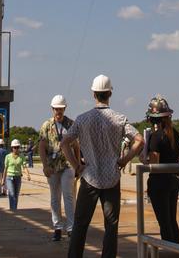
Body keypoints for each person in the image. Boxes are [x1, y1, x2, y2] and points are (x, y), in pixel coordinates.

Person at [60, 74, 142, 258]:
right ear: (109, 93)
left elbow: (64, 143)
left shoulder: (82, 119)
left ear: (93, 94)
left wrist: (76, 166)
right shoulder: (119, 118)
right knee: (111, 226)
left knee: (80, 224)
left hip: (89, 178)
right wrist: (124, 160)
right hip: (112, 178)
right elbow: (139, 140)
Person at [143, 96, 179, 243]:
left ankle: (170, 251)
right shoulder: (175, 134)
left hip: (160, 184)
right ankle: (177, 250)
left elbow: (154, 164)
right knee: (172, 220)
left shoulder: (156, 137)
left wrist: (144, 159)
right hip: (174, 180)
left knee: (164, 223)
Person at [38, 93, 76, 241]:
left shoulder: (71, 124)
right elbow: (41, 146)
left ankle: (71, 228)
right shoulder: (46, 125)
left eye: (61, 109)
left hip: (67, 164)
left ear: (65, 109)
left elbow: (76, 146)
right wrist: (45, 166)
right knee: (55, 197)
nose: (58, 112)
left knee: (68, 196)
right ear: (52, 109)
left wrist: (77, 165)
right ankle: (57, 227)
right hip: (52, 166)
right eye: (56, 109)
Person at [5, 139, 26, 210]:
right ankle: (13, 209)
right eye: (15, 147)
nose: (16, 149)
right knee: (11, 194)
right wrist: (2, 180)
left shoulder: (21, 156)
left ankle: (14, 209)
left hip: (18, 177)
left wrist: (28, 174)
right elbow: (5, 168)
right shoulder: (7, 156)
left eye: (17, 147)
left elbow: (24, 167)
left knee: (16, 195)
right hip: (9, 177)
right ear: (12, 148)